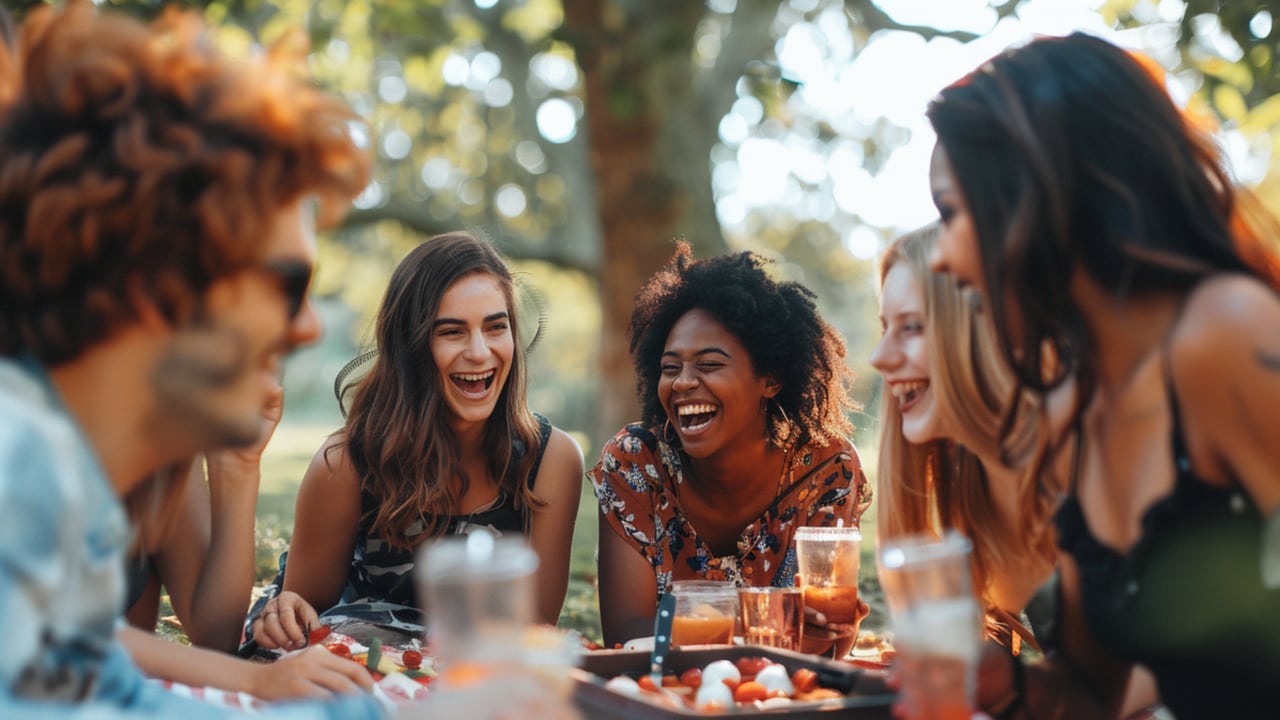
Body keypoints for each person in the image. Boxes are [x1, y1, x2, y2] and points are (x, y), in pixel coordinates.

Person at [0, 1, 392, 717]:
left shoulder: (57, 484)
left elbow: (115, 691)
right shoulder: (16, 474)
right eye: (288, 285)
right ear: (159, 281)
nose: (307, 328)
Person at [927, 32, 1280, 718]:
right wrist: (1006, 681)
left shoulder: (1226, 333)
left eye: (951, 215)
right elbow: (1092, 694)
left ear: (1035, 195)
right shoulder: (1072, 413)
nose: (941, 258)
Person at [247, 232, 584, 653]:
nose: (480, 352)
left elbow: (531, 631)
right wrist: (284, 616)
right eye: (452, 332)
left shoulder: (551, 460)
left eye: (496, 327)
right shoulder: (346, 465)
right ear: (410, 347)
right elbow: (300, 625)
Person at [590, 243, 873, 650]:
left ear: (771, 379)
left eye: (709, 364)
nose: (683, 382)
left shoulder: (827, 469)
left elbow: (828, 643)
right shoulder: (637, 463)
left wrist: (826, 628)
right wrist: (769, 623)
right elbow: (627, 634)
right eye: (670, 368)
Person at [871, 224, 1064, 650]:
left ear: (983, 332)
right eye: (886, 327)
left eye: (912, 327)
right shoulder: (973, 495)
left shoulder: (1088, 466)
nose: (879, 357)